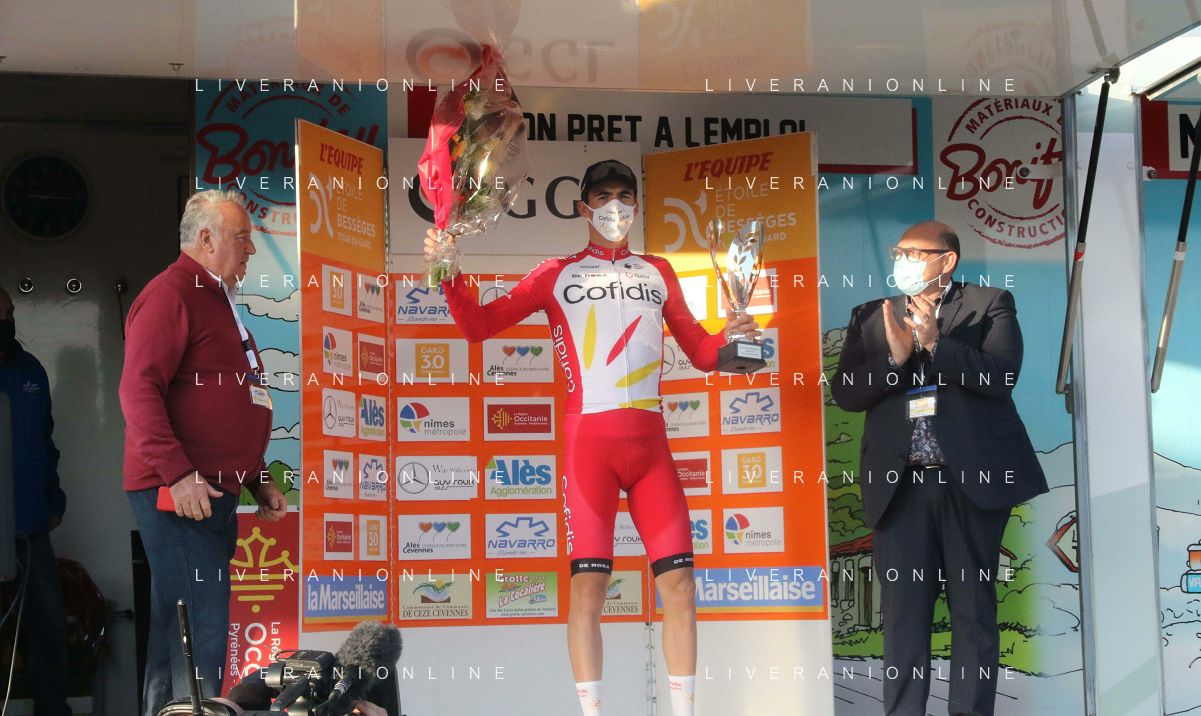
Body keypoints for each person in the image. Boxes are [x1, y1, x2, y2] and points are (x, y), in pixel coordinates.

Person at [423, 159, 759, 716]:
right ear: (583, 207)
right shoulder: (555, 273)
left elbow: (702, 353)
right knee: (589, 590)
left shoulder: (659, 271)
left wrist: (734, 336)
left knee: (680, 585)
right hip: (589, 449)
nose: (614, 207)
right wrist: (449, 272)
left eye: (624, 195)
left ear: (636, 206)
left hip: (651, 448)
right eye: (602, 197)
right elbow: (478, 327)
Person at [830, 221, 1048, 716]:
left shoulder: (989, 304)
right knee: (902, 615)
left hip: (969, 482)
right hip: (900, 487)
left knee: (973, 612)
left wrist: (935, 344)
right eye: (898, 252)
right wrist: (895, 359)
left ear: (946, 260)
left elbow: (1001, 376)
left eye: (913, 253)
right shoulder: (872, 315)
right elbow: (847, 393)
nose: (902, 260)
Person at [120, 189, 288, 716]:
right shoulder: (170, 294)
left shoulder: (218, 299)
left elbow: (237, 400)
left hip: (211, 493)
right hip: (179, 494)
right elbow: (137, 390)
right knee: (201, 633)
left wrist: (258, 477)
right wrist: (177, 474)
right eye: (243, 237)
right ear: (207, 239)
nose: (251, 249)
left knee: (178, 635)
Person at [0, 286, 73, 716]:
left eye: (9, 312)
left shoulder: (31, 370)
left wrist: (54, 502)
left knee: (49, 624)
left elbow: (46, 441)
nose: (6, 321)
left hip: (31, 525)